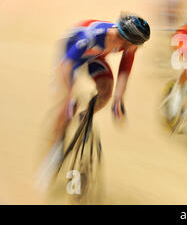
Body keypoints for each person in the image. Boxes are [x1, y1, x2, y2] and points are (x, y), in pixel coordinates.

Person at [38, 14, 150, 187]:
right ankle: (54, 151)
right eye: (137, 44)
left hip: (95, 57)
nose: (138, 48)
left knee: (106, 93)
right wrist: (68, 96)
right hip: (69, 58)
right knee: (67, 105)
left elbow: (124, 71)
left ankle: (84, 117)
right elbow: (66, 65)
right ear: (128, 39)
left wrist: (118, 100)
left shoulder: (129, 44)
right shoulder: (92, 36)